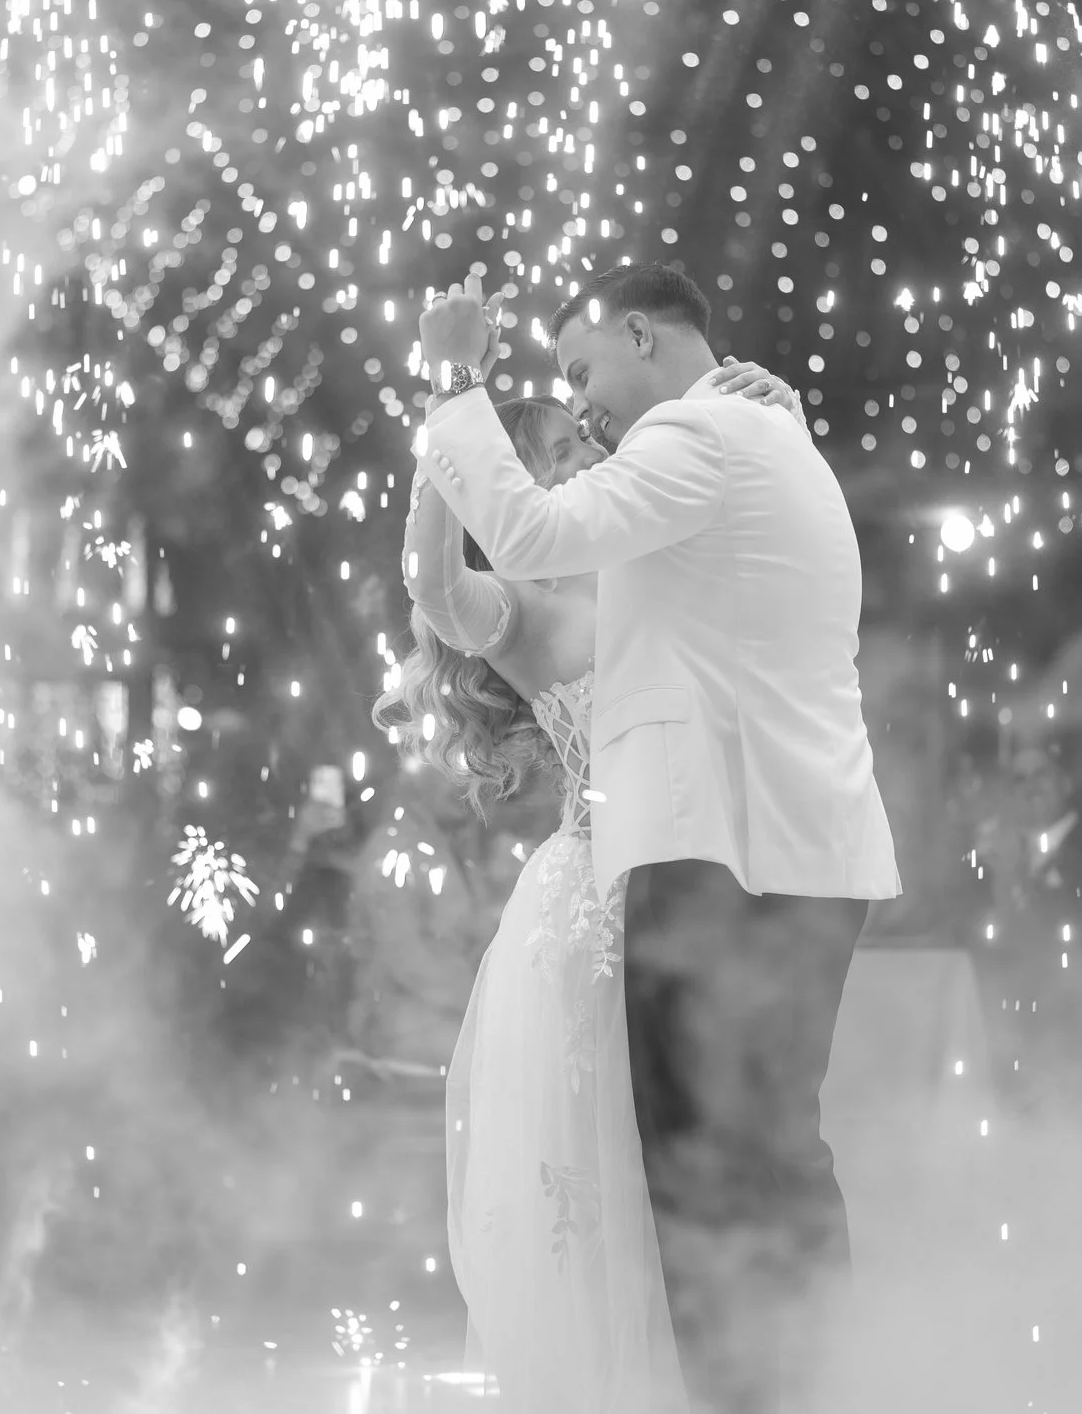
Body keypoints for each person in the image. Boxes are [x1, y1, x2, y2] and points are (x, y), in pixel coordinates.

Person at [413, 261, 903, 1414]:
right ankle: (804, 1385)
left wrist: (452, 376)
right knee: (770, 1158)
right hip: (796, 848)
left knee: (699, 1172)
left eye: (582, 367)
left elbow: (526, 528)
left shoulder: (701, 435)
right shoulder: (764, 436)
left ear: (642, 331)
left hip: (719, 854)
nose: (577, 404)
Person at [376, 351, 802, 1412]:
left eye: (583, 441)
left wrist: (779, 422)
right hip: (592, 903)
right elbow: (427, 582)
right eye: (562, 450)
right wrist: (448, 418)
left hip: (692, 872)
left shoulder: (645, 551)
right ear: (508, 479)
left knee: (685, 1155)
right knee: (595, 1159)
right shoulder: (511, 609)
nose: (590, 452)